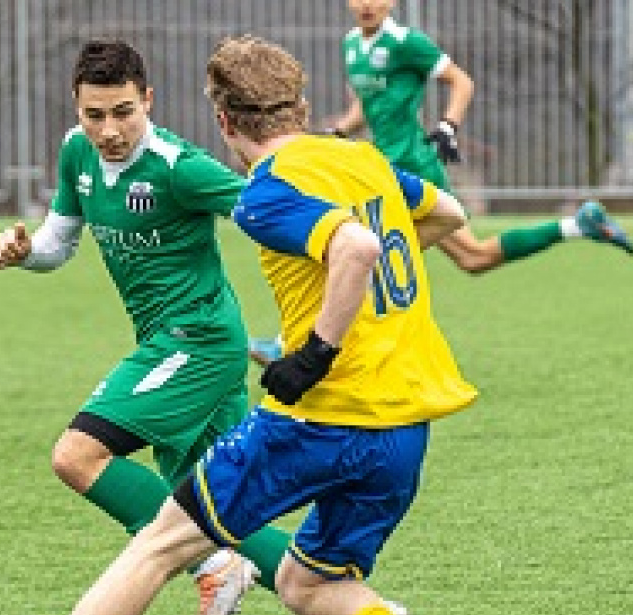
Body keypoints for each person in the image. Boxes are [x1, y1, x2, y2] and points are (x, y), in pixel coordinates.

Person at [0, 34, 477, 615]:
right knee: (308, 583)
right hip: (406, 428)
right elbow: (443, 213)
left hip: (319, 418)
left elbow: (353, 250)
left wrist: (313, 354)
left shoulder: (264, 193)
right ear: (302, 103)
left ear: (222, 121)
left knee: (160, 544)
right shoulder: (364, 161)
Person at [0, 38, 297, 615]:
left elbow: (272, 214)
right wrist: (26, 255)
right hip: (178, 344)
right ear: (76, 109)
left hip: (198, 343)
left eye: (123, 111)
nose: (108, 130)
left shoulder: (177, 168)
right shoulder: (75, 154)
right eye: (94, 114)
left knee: (76, 457)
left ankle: (212, 566)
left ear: (148, 100)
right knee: (222, 506)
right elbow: (58, 243)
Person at [248, 0, 633, 367]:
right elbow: (365, 108)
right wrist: (336, 131)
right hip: (382, 168)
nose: (368, 4)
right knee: (469, 257)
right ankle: (577, 225)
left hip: (413, 166)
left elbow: (461, 82)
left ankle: (291, 343)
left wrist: (448, 126)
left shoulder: (406, 43)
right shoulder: (352, 45)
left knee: (351, 250)